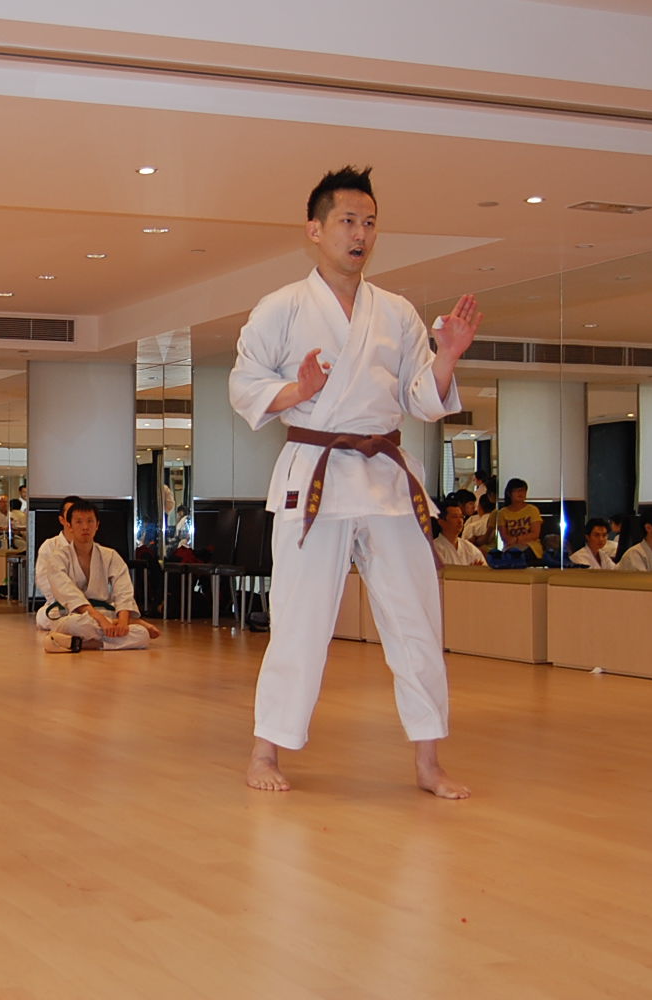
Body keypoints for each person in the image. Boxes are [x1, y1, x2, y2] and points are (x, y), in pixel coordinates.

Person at [227, 165, 480, 799]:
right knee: (300, 618)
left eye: (369, 223)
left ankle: (428, 761)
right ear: (315, 229)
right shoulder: (281, 307)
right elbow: (245, 385)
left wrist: (447, 356)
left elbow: (421, 398)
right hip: (315, 471)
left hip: (386, 475)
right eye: (347, 221)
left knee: (416, 618)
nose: (360, 233)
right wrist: (299, 390)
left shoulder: (395, 312)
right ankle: (266, 749)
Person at [37, 500, 156, 652]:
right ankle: (115, 631)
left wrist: (123, 621)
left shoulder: (110, 555)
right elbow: (66, 591)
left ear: (97, 525)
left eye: (90, 521)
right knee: (74, 625)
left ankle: (79, 643)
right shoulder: (58, 557)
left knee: (142, 635)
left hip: (104, 613)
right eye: (79, 522)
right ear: (69, 525)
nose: (85, 527)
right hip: (72, 614)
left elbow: (123, 590)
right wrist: (101, 620)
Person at [495, 478, 543, 559]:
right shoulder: (502, 513)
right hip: (510, 547)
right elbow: (504, 537)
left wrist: (516, 539)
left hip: (531, 547)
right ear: (509, 493)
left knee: (522, 554)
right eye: (517, 491)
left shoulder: (532, 510)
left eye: (523, 490)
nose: (521, 493)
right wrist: (513, 541)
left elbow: (535, 534)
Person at [431, 502, 486, 567]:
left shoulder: (469, 548)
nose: (460, 521)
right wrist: (469, 571)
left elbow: (483, 567)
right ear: (441, 522)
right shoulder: (435, 548)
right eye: (455, 517)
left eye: (461, 517)